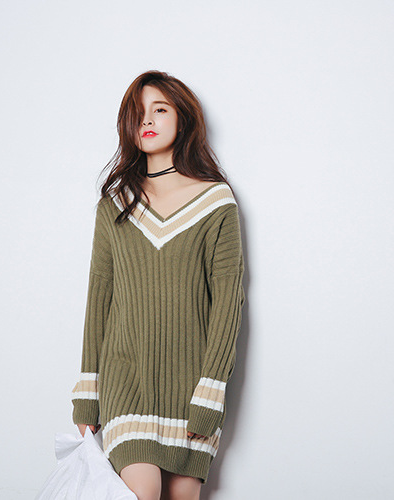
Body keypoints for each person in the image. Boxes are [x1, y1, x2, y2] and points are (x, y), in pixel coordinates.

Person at [70, 70, 246, 500]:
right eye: (138, 113)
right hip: (126, 381)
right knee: (143, 491)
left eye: (160, 109)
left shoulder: (216, 202)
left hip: (193, 388)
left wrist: (211, 392)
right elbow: (99, 298)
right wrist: (88, 392)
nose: (146, 120)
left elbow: (228, 301)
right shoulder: (115, 204)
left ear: (183, 119)